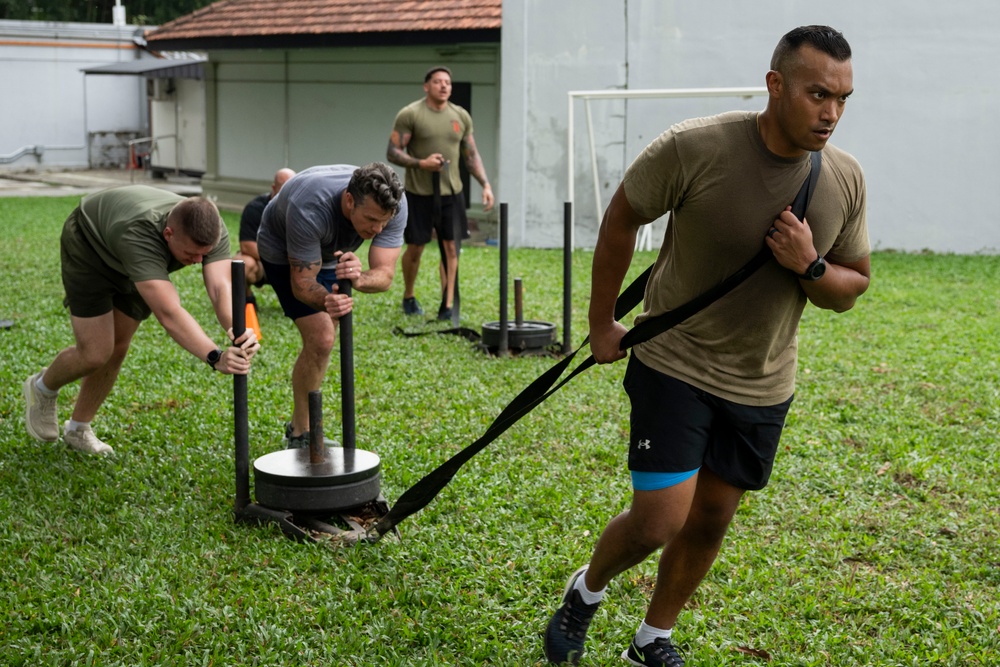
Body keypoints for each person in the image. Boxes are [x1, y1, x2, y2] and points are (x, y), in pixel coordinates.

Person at [543, 25, 870, 666]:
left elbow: (850, 286)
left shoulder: (845, 180)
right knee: (659, 520)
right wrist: (602, 321)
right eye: (817, 94)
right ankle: (586, 593)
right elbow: (621, 218)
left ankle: (652, 638)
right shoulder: (696, 147)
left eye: (843, 98)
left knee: (712, 519)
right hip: (676, 362)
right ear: (775, 85)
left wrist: (809, 264)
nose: (831, 113)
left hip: (763, 380)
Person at [23, 185, 260, 455]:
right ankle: (43, 387)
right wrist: (215, 357)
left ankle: (78, 428)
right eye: (192, 254)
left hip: (138, 255)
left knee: (118, 345)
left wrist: (237, 331)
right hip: (90, 246)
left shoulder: (209, 229)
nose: (198, 261)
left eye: (204, 254)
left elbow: (219, 288)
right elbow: (169, 313)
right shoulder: (138, 234)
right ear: (168, 234)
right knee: (95, 352)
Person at [256, 162, 407, 448]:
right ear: (349, 200)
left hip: (331, 250)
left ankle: (304, 425)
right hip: (282, 248)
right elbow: (302, 284)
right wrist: (328, 300)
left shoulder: (394, 205)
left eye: (384, 222)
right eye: (372, 219)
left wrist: (358, 279)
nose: (378, 229)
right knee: (323, 337)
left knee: (324, 336)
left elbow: (385, 276)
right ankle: (300, 432)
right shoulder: (310, 207)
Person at [387, 65, 495, 320]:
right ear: (427, 86)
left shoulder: (460, 116)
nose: (444, 85)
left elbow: (471, 154)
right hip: (418, 192)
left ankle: (447, 304)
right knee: (415, 248)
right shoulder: (410, 114)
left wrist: (485, 184)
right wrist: (421, 163)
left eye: (448, 82)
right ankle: (409, 296)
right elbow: (392, 152)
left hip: (451, 193)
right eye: (438, 81)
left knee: (451, 247)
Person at [236, 167, 296, 304]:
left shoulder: (302, 208)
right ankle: (247, 298)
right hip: (266, 263)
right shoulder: (255, 208)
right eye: (283, 189)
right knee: (241, 264)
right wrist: (281, 258)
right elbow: (247, 246)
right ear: (273, 188)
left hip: (295, 264)